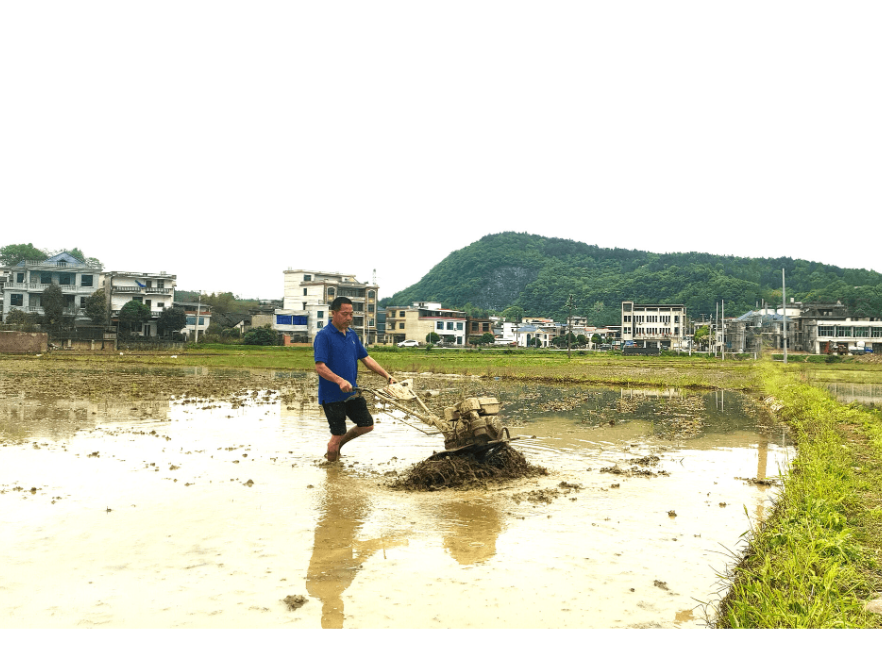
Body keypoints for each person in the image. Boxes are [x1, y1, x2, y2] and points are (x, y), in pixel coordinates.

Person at [314, 296, 396, 462]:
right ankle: (332, 475)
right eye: (345, 314)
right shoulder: (324, 336)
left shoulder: (352, 335)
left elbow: (366, 358)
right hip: (332, 396)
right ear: (334, 313)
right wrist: (340, 381)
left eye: (351, 314)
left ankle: (339, 447)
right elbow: (320, 367)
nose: (349, 318)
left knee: (367, 425)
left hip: (352, 392)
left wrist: (386, 375)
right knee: (336, 436)